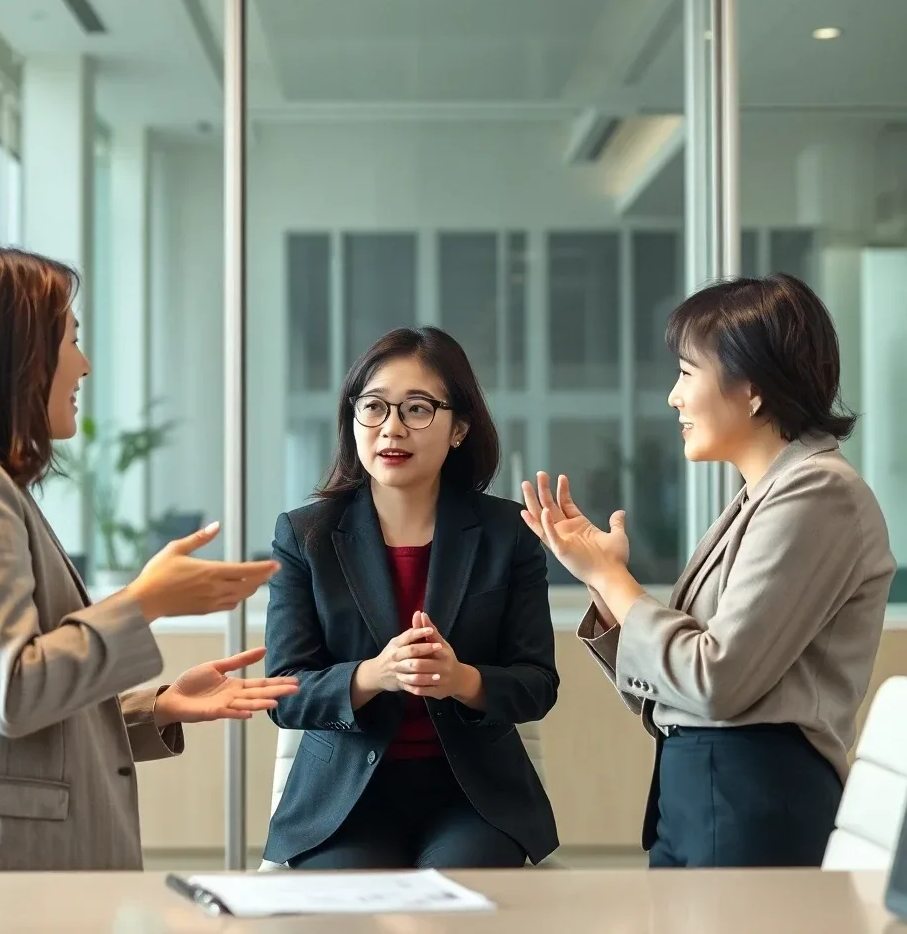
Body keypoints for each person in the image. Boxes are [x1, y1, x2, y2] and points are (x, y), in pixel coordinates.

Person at [0, 245, 298, 872]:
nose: (83, 365)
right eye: (68, 339)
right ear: (9, 354)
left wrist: (155, 708)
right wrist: (147, 599)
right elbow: (14, 689)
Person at [523, 273, 895, 869]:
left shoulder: (817, 492)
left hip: (754, 794)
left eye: (686, 373)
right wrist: (599, 576)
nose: (673, 396)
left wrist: (615, 582)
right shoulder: (765, 494)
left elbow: (715, 679)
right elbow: (684, 678)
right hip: (710, 788)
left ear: (751, 388)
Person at [262, 326, 559, 870]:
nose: (391, 428)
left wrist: (463, 680)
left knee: (456, 899)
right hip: (343, 801)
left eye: (417, 409)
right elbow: (284, 694)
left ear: (459, 428)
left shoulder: (507, 532)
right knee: (349, 902)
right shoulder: (306, 535)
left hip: (473, 798)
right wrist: (371, 675)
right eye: (373, 407)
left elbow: (537, 685)